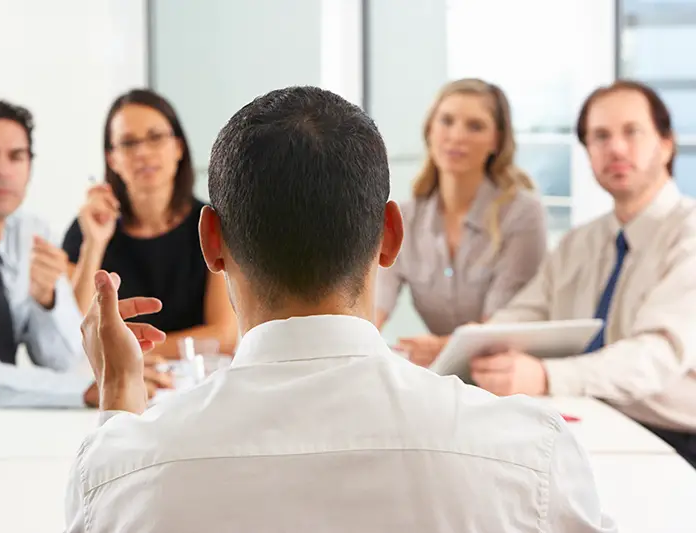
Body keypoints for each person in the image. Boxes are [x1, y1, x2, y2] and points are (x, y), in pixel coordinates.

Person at [65, 86, 614, 532]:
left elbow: (111, 493)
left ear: (211, 242)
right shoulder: (530, 455)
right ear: (390, 235)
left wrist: (119, 399)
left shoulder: (121, 471)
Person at [0, 101, 170, 527]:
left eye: (16, 156)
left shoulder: (29, 231)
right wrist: (84, 388)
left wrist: (48, 305)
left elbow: (57, 357)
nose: (2, 170)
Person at [470, 80, 696, 468]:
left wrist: (545, 376)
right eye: (600, 136)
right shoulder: (581, 242)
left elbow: (656, 356)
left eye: (632, 132)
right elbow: (528, 312)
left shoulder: (688, 233)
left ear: (666, 144)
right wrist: (471, 346)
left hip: (677, 442)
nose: (616, 148)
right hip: (589, 422)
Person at [376, 79, 546, 367]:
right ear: (430, 129)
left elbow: (500, 331)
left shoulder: (522, 213)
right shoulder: (404, 218)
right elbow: (370, 311)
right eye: (446, 121)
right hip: (443, 377)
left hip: (508, 374)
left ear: (496, 140)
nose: (456, 136)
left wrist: (445, 348)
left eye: (475, 126)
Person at [63, 89, 237, 359]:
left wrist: (134, 353)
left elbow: (224, 335)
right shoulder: (86, 230)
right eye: (128, 143)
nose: (143, 152)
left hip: (197, 382)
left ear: (178, 147)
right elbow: (73, 335)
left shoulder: (212, 223)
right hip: (116, 384)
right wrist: (94, 244)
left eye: (155, 137)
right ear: (112, 159)